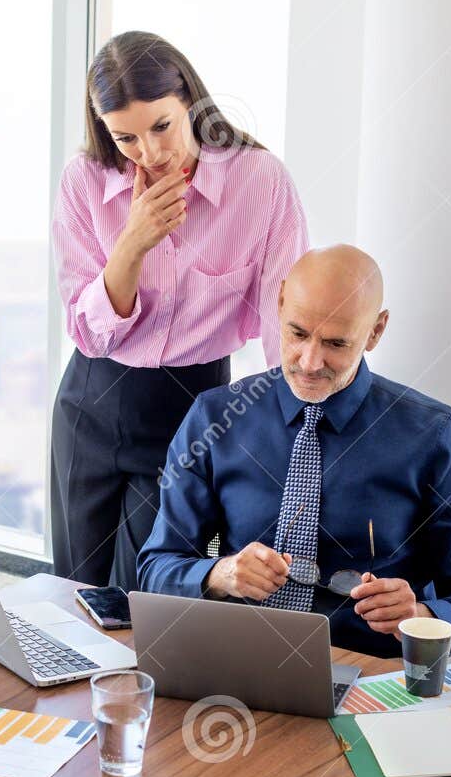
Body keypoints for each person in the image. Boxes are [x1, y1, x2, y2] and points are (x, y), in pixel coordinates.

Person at [136, 244, 451, 657]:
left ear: (375, 331)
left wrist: (421, 614)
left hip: (367, 679)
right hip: (238, 663)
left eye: (335, 343)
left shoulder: (431, 434)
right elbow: (156, 569)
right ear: (279, 304)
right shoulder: (215, 418)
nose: (310, 362)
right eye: (297, 334)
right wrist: (219, 574)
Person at [49, 31, 309, 590]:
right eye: (125, 138)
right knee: (72, 593)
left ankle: (137, 683)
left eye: (161, 126)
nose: (149, 152)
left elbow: (280, 319)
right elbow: (85, 330)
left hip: (188, 408)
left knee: (144, 596)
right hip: (91, 400)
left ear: (189, 98)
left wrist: (291, 435)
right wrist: (133, 242)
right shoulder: (84, 181)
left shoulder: (259, 181)